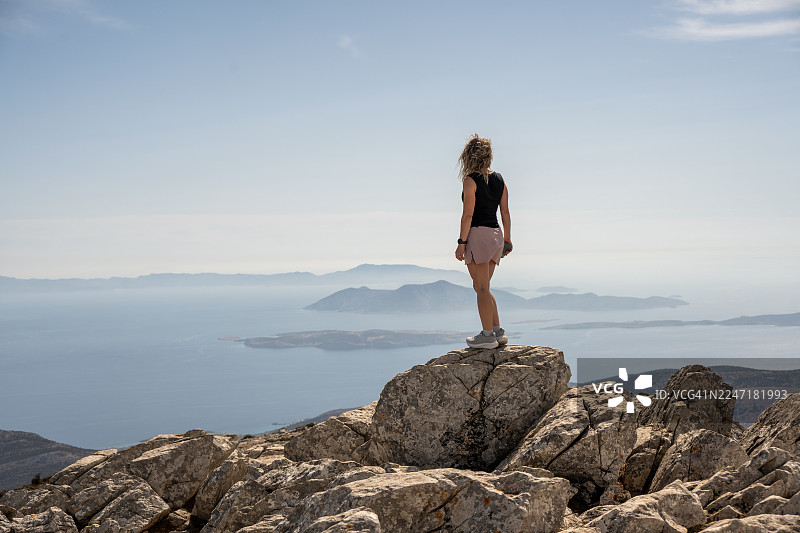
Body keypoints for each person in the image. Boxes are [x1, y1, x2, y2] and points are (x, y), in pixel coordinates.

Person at [455, 134, 512, 349]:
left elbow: (468, 215)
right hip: (496, 236)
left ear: (468, 156)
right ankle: (498, 331)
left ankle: (487, 336)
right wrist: (507, 239)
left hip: (478, 235)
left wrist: (461, 242)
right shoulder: (500, 180)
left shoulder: (470, 180)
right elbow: (505, 212)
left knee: (481, 288)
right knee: (484, 287)